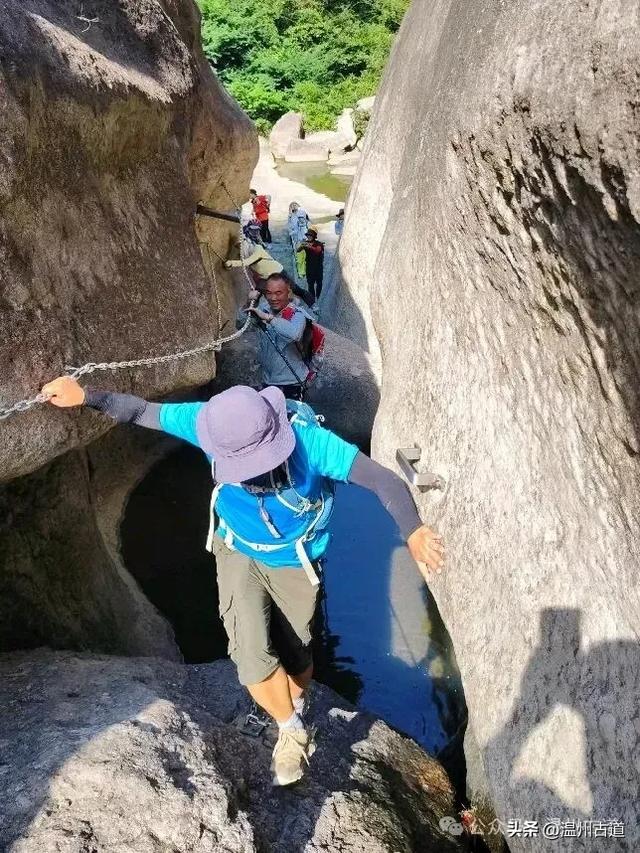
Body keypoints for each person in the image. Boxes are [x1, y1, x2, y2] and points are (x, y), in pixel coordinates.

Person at [41, 375, 444, 789]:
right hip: (237, 546)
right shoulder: (206, 422)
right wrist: (87, 396)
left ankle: (294, 702)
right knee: (249, 653)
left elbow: (383, 481)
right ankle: (290, 730)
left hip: (294, 558)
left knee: (296, 648)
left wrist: (412, 531)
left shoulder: (310, 442)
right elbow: (143, 411)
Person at [244, 273, 312, 400]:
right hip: (268, 381)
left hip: (292, 382)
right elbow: (240, 324)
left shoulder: (297, 314)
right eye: (269, 293)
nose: (273, 298)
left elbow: (294, 334)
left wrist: (269, 319)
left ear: (288, 292)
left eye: (278, 293)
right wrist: (250, 302)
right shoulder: (263, 310)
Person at [298, 228, 324, 304]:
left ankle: (318, 297)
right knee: (310, 284)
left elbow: (317, 250)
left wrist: (309, 246)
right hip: (309, 268)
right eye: (308, 235)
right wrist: (302, 245)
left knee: (319, 283)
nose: (309, 236)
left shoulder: (319, 244)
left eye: (310, 235)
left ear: (314, 236)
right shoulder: (305, 243)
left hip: (318, 268)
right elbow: (298, 250)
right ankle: (312, 301)